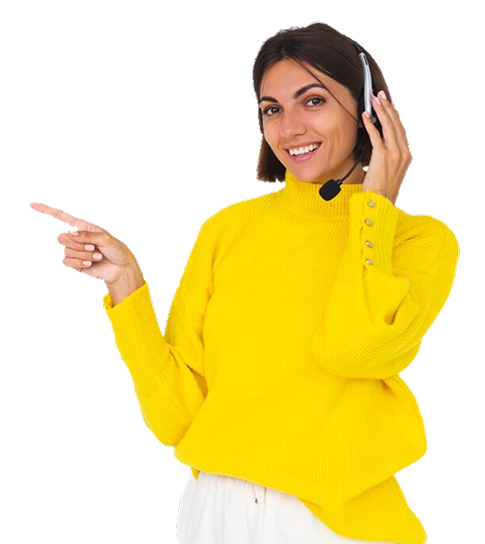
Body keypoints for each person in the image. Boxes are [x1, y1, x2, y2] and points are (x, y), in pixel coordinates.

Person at [30, 22, 459, 544]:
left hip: (333, 525)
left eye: (314, 101)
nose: (290, 128)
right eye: (272, 109)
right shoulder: (227, 229)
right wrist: (127, 284)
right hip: (215, 513)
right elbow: (177, 419)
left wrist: (376, 207)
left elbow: (355, 351)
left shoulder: (418, 240)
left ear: (371, 110)